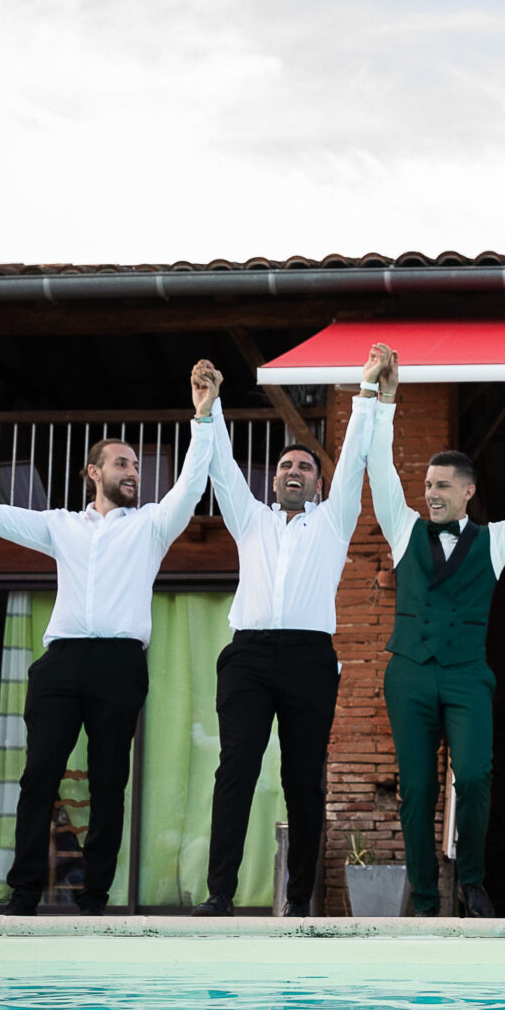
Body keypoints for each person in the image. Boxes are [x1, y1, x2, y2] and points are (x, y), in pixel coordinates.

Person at [0, 361, 223, 915]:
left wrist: (203, 414)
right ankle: (23, 892)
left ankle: (95, 896)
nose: (133, 472)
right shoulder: (61, 526)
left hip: (120, 665)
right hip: (61, 663)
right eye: (121, 463)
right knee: (37, 779)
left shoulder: (151, 525)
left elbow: (193, 483)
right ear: (92, 473)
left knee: (108, 783)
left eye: (135, 465)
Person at [364, 351, 505, 918]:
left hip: (466, 677)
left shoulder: (495, 541)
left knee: (475, 775)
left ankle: (471, 880)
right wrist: (385, 402)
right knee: (417, 792)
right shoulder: (404, 530)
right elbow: (379, 468)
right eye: (428, 484)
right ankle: (426, 898)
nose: (430, 493)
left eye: (442, 486)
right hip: (407, 674)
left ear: (468, 492)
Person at [194, 354, 384, 919]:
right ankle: (219, 894)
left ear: (318, 484)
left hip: (308, 658)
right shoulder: (249, 519)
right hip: (248, 657)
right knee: (236, 771)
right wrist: (209, 410)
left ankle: (298, 899)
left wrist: (367, 392)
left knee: (303, 781)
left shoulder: (332, 521)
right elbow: (222, 467)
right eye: (284, 466)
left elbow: (353, 462)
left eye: (303, 466)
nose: (292, 471)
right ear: (274, 480)